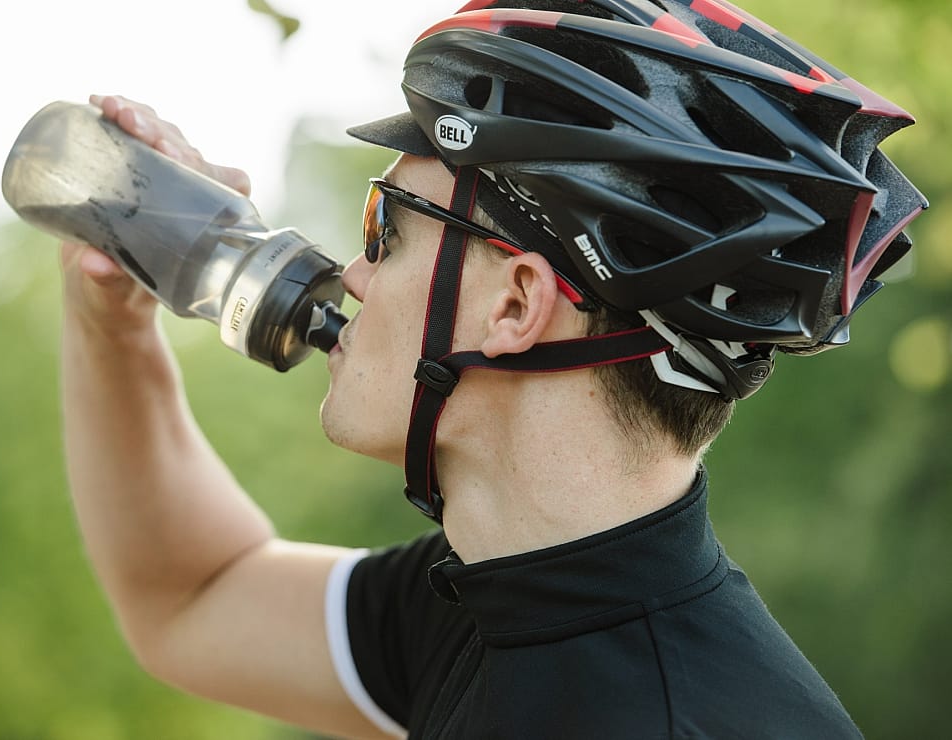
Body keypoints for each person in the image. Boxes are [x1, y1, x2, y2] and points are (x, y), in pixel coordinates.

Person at [58, 1, 926, 737]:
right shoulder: (503, 601)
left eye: (385, 229)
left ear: (515, 304)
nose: (353, 274)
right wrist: (113, 324)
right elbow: (192, 598)